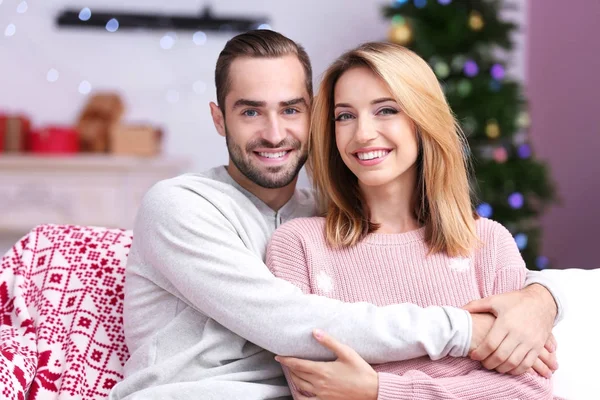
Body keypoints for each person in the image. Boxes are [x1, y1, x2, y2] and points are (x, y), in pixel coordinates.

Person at [109, 30, 561, 400]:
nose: (273, 133)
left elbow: (530, 381)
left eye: (291, 109)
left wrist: (543, 300)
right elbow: (290, 324)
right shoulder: (183, 205)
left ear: (311, 117)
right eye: (250, 111)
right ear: (219, 119)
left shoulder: (324, 215)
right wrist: (468, 330)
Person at [269, 42, 555, 399]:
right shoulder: (297, 246)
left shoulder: (488, 243)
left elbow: (529, 389)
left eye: (386, 110)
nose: (362, 134)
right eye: (345, 116)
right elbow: (312, 385)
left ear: (422, 120)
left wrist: (379, 390)